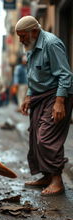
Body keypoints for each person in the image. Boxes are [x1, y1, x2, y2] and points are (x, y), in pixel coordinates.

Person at [15, 15, 73, 196]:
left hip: (56, 95)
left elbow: (65, 75)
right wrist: (28, 96)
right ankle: (47, 177)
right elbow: (33, 74)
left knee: (46, 138)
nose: (20, 40)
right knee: (35, 137)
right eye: (18, 36)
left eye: (23, 35)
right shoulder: (30, 45)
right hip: (40, 96)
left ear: (34, 31)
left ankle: (57, 181)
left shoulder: (51, 44)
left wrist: (60, 102)